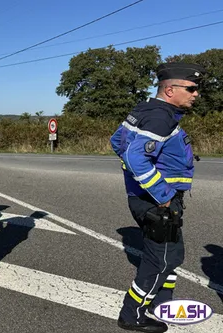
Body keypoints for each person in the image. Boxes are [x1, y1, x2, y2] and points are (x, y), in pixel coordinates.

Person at [110, 62, 206, 333]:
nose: (196, 93)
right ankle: (133, 314)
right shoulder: (160, 117)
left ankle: (161, 304)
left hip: (145, 196)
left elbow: (116, 141)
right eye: (191, 88)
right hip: (157, 200)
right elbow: (133, 155)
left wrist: (134, 181)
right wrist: (163, 196)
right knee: (163, 259)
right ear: (170, 89)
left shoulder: (145, 109)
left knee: (169, 254)